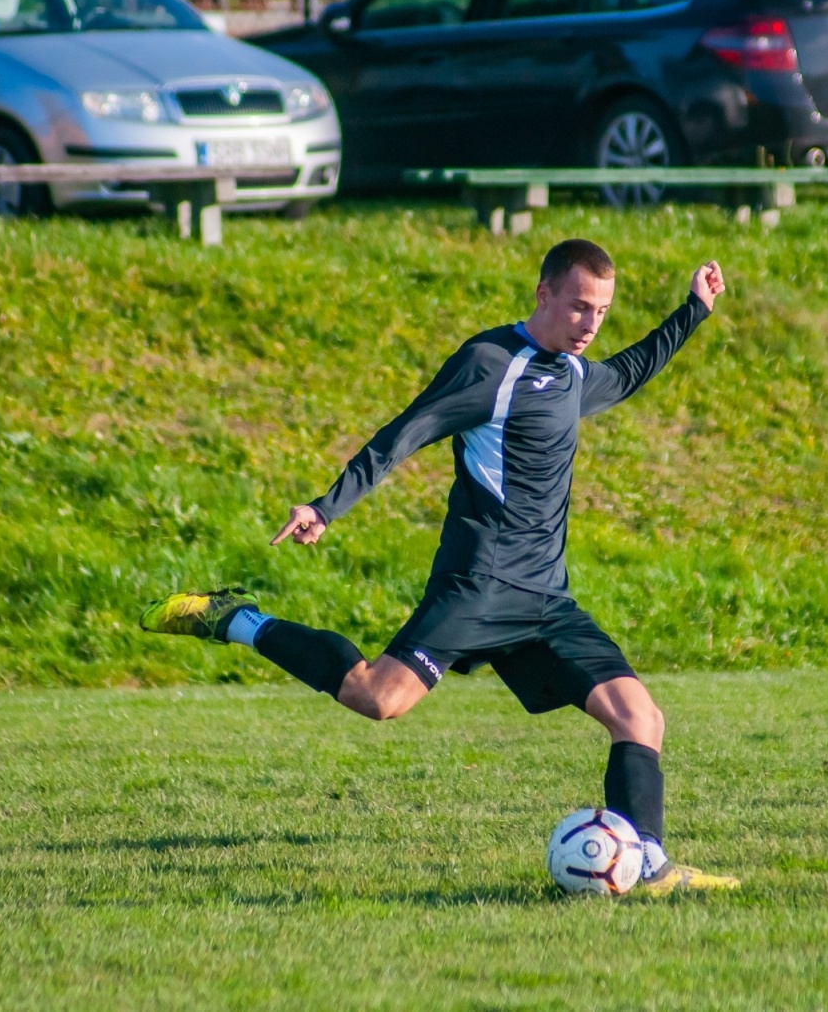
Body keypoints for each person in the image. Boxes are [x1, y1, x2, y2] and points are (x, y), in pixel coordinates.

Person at [141, 239, 739, 895]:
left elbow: (626, 374)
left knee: (640, 717)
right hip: (478, 586)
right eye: (578, 308)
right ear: (543, 294)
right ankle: (237, 620)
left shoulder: (572, 374)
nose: (591, 324)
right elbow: (405, 432)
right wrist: (327, 506)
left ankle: (647, 866)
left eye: (601, 311)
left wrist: (693, 310)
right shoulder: (489, 365)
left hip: (545, 599)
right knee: (377, 698)